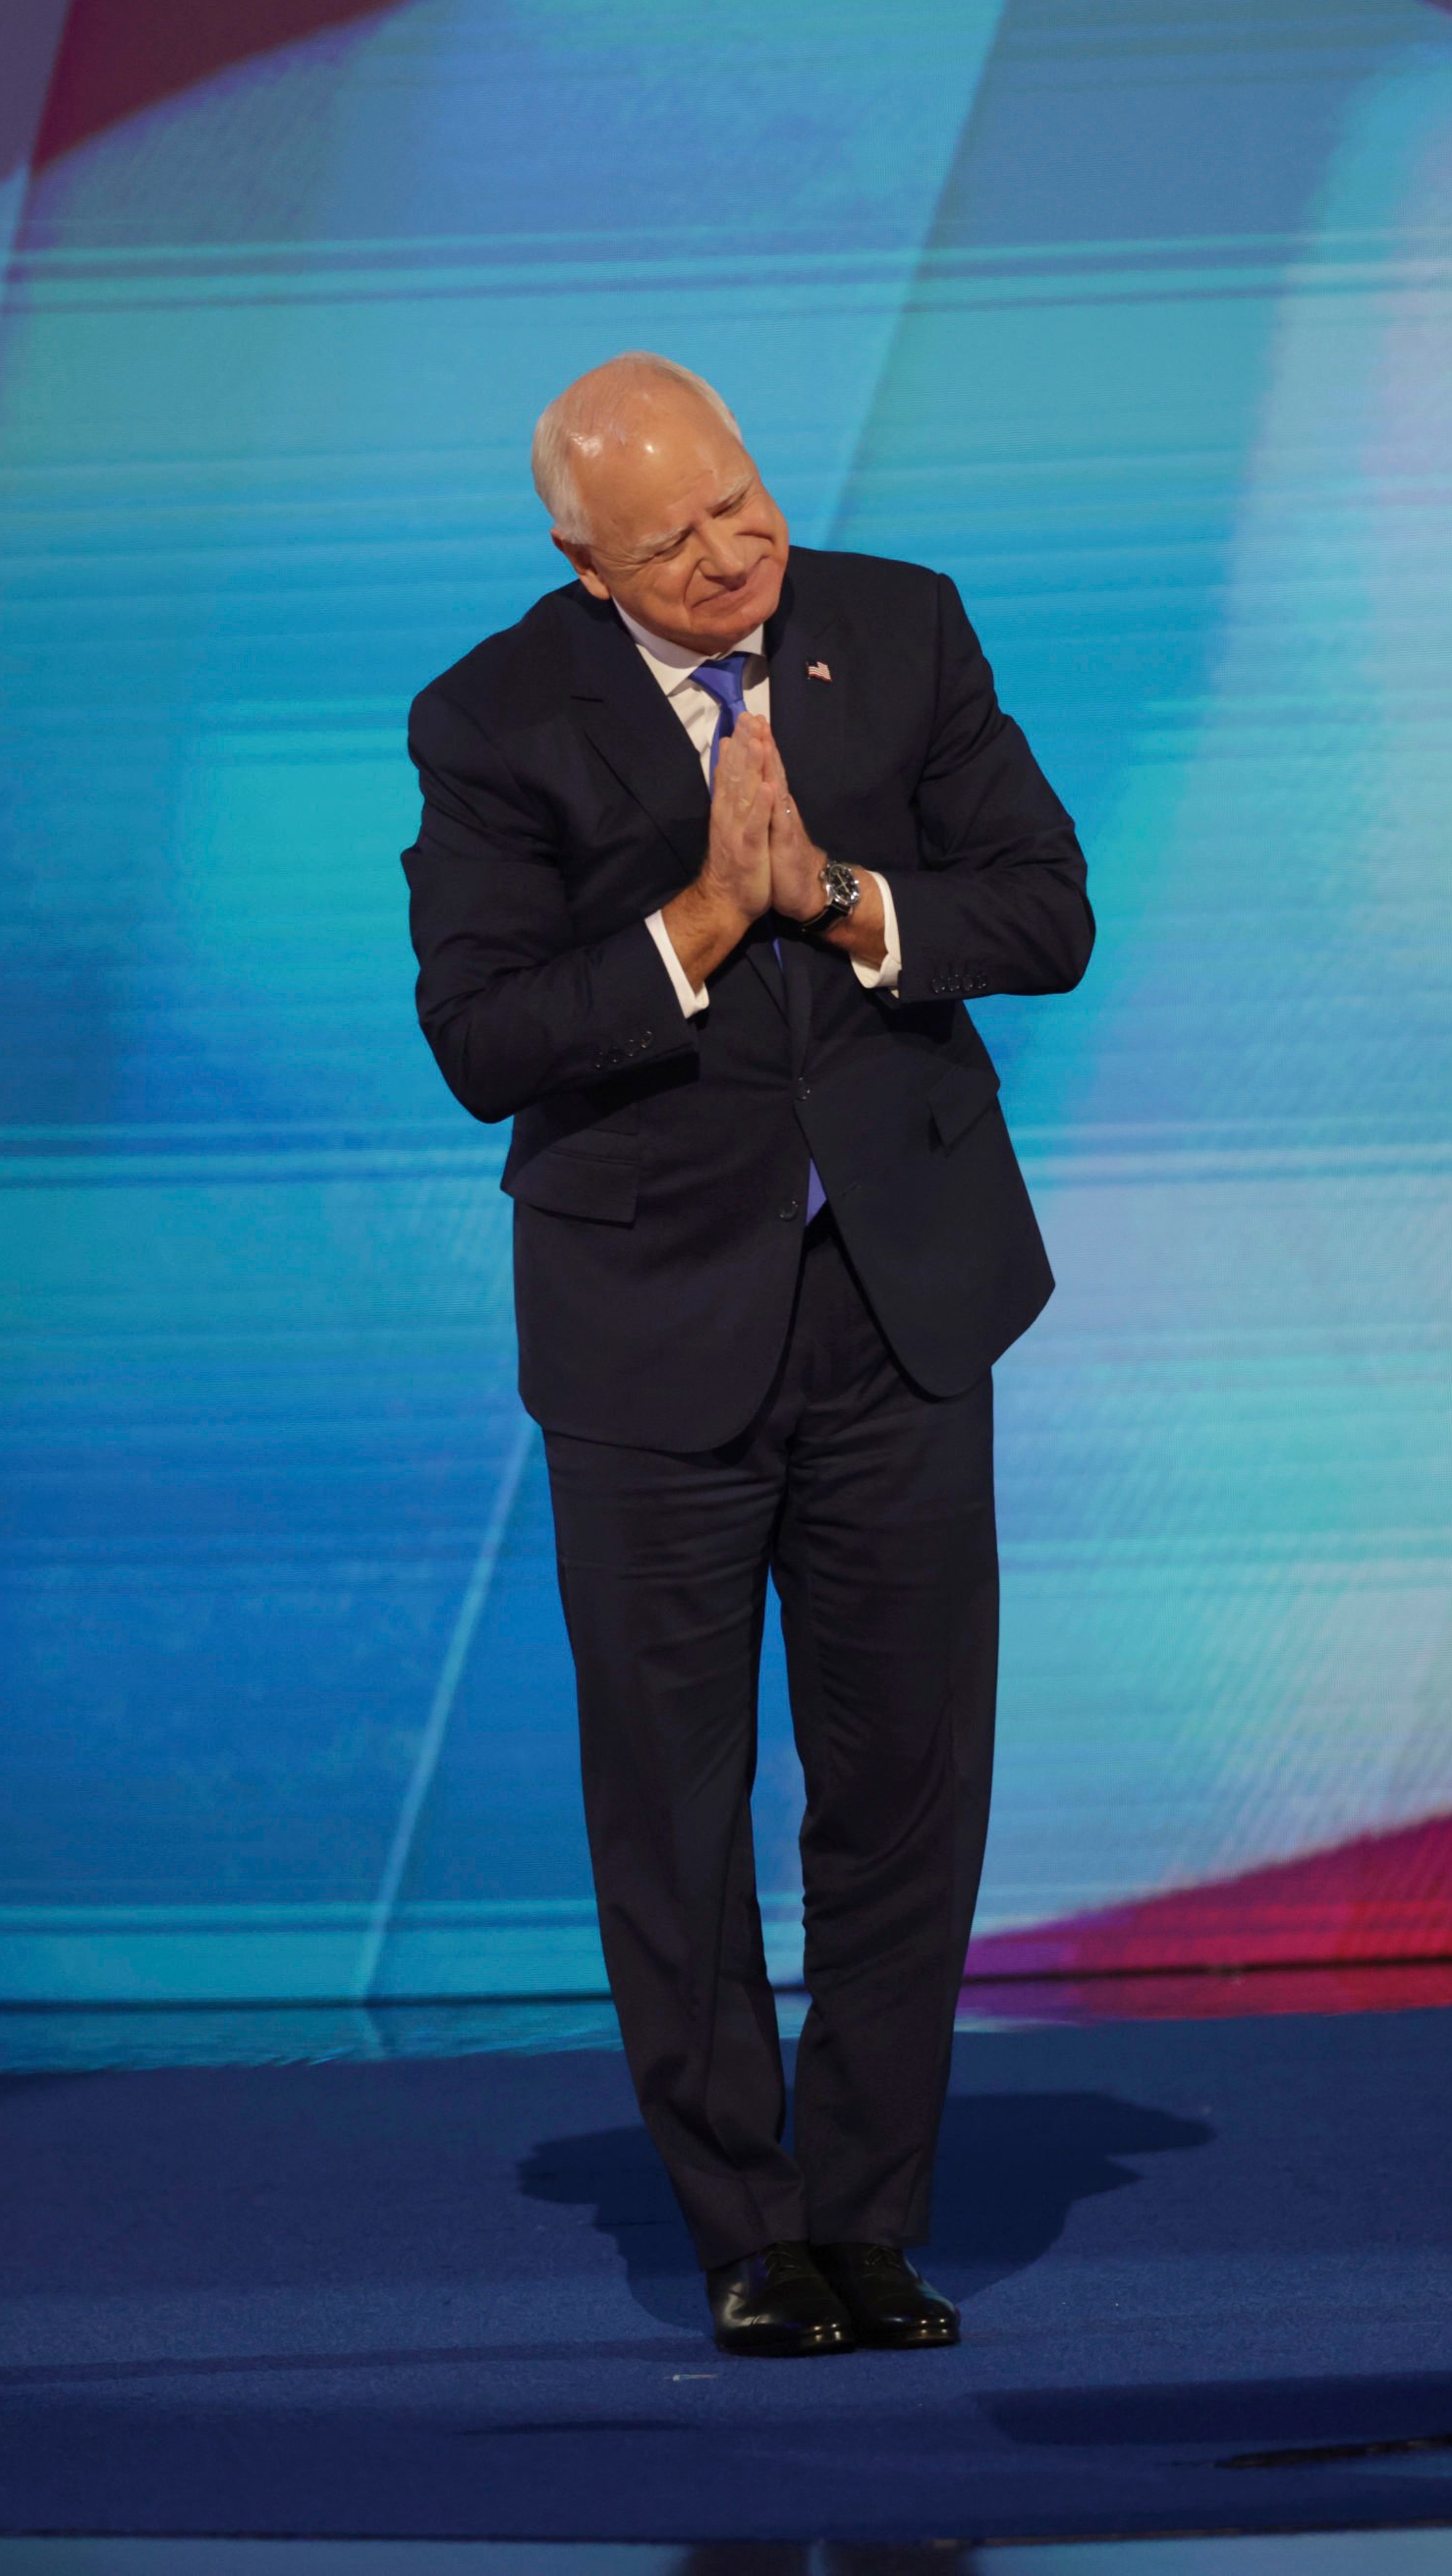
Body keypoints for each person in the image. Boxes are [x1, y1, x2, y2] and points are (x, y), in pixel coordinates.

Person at [401, 355, 1093, 2357]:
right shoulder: (490, 717)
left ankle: (869, 2218)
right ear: (581, 558)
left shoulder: (901, 626)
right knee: (673, 1803)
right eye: (677, 536)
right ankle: (741, 2224)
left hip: (896, 1301)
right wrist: (702, 915)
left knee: (903, 1782)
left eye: (743, 499)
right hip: (645, 1331)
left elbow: (1040, 904)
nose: (734, 550)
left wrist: (852, 899)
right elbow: (483, 1040)